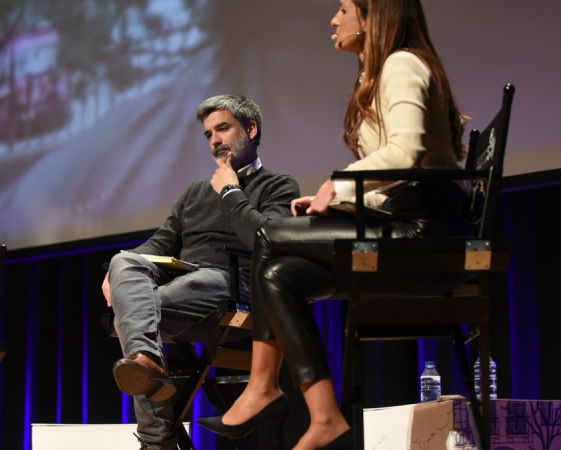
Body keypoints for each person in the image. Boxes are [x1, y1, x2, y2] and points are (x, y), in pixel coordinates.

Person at [197, 1, 472, 449]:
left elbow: (406, 156)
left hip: (423, 231)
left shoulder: (402, 65)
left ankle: (263, 389)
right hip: (400, 218)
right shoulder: (382, 71)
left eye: (344, 8)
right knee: (278, 274)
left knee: (268, 234)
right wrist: (342, 203)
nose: (334, 19)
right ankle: (324, 416)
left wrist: (338, 187)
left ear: (373, 15)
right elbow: (400, 170)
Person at [102, 94, 300, 450]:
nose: (214, 142)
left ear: (251, 129)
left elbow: (267, 241)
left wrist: (229, 191)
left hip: (234, 288)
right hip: (185, 287)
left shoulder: (277, 186)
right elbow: (160, 243)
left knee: (133, 316)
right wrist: (117, 272)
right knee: (123, 262)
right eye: (209, 134)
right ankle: (147, 363)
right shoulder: (194, 193)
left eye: (222, 129)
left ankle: (154, 441)